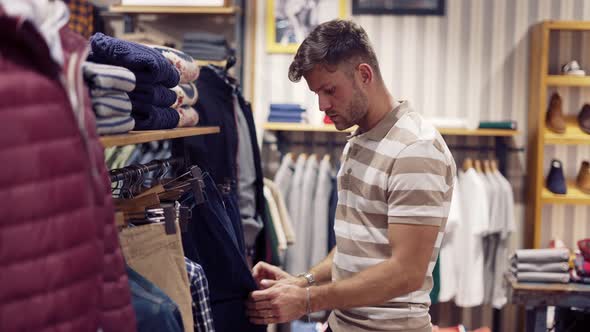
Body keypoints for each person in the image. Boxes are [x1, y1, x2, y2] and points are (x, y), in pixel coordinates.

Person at [246, 19, 456, 332]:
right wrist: (302, 282)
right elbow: (352, 248)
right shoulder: (359, 140)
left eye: (330, 90)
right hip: (341, 323)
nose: (322, 106)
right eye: (317, 93)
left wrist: (307, 301)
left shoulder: (415, 149)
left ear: (364, 75)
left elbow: (407, 272)